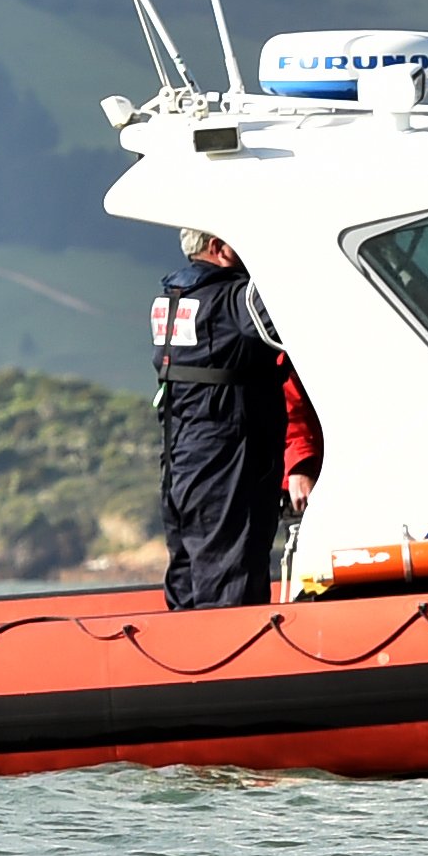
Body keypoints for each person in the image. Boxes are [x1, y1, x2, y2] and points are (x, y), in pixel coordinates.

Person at [151, 228, 319, 610]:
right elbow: (298, 328)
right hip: (225, 458)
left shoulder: (170, 297)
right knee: (231, 573)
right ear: (218, 248)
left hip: (179, 455)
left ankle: (186, 654)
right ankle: (229, 658)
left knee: (188, 570)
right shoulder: (235, 300)